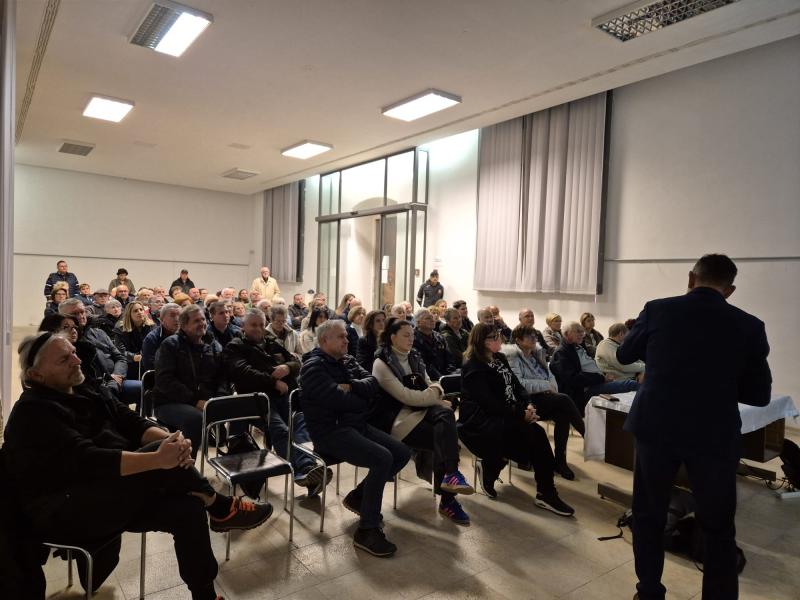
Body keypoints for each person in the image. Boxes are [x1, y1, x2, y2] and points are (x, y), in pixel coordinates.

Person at [4, 332, 273, 599]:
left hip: (111, 492)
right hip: (67, 509)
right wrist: (158, 458)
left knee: (189, 509)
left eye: (73, 352)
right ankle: (220, 506)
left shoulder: (85, 387)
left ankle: (205, 595)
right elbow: (89, 461)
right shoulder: (33, 412)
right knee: (160, 456)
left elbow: (130, 421)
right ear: (36, 375)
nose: (76, 361)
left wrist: (171, 441)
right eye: (64, 360)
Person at [618, 254, 771, 600]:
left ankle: (649, 592)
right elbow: (759, 395)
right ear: (729, 290)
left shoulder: (657, 309)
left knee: (649, 513)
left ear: (691, 278)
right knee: (718, 525)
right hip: (713, 433)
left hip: (657, 425)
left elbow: (625, 355)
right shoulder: (749, 325)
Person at [300, 320, 411, 557]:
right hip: (330, 432)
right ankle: (366, 530)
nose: (347, 340)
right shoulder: (313, 368)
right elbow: (340, 401)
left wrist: (350, 386)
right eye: (341, 337)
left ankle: (359, 497)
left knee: (401, 453)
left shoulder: (348, 361)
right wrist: (359, 397)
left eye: (346, 336)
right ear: (324, 340)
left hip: (356, 425)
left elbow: (373, 385)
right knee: (382, 458)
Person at [458, 323, 574, 516]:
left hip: (507, 413)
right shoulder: (473, 366)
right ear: (481, 341)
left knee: (534, 436)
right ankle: (545, 492)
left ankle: (496, 466)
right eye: (494, 337)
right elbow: (489, 403)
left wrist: (528, 405)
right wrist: (520, 414)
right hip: (481, 421)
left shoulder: (499, 358)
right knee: (535, 436)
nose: (499, 340)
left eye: (498, 335)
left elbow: (517, 386)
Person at [371, 318, 474, 524]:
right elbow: (406, 397)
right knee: (445, 439)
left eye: (412, 335)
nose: (411, 339)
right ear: (392, 337)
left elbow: (432, 383)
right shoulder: (381, 363)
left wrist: (434, 394)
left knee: (446, 417)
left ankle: (450, 479)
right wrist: (435, 397)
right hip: (399, 419)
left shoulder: (414, 356)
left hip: (422, 411)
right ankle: (449, 497)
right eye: (406, 335)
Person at [223, 309, 330, 495]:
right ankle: (305, 470)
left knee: (300, 423)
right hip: (256, 400)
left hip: (283, 397)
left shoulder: (272, 342)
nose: (258, 329)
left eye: (261, 324)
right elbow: (243, 372)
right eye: (253, 325)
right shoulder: (235, 347)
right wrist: (273, 381)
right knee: (280, 429)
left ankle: (308, 472)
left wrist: (287, 368)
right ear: (243, 326)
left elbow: (296, 362)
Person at [503, 325, 585, 480]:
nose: (534, 339)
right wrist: (546, 386)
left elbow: (550, 376)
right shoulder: (512, 356)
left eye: (535, 336)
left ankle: (560, 461)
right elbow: (519, 384)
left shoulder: (537, 354)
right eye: (530, 336)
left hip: (544, 398)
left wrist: (550, 387)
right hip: (526, 401)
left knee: (562, 414)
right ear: (518, 340)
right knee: (564, 399)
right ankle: (586, 435)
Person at [152, 304, 230, 455]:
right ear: (184, 325)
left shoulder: (213, 345)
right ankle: (186, 462)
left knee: (239, 407)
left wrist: (220, 398)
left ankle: (237, 458)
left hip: (206, 401)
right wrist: (195, 401)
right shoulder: (171, 345)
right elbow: (165, 381)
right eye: (196, 321)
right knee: (196, 419)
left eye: (203, 319)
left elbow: (223, 377)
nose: (202, 323)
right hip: (169, 402)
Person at [59, 299, 139, 407]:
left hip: (116, 379)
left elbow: (120, 357)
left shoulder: (99, 333)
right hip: (92, 388)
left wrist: (117, 375)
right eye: (74, 314)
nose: (81, 316)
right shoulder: (64, 342)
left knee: (146, 388)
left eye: (82, 312)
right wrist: (109, 382)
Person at [550, 321, 639, 413]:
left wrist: (602, 377)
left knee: (630, 389)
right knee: (631, 384)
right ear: (566, 334)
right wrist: (601, 378)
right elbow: (573, 379)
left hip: (595, 383)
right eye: (578, 331)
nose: (582, 334)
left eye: (582, 331)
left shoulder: (577, 347)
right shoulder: (561, 353)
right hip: (582, 392)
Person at [113, 301, 155, 381]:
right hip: (130, 363)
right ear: (129, 314)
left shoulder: (151, 326)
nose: (139, 312)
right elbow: (119, 351)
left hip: (148, 361)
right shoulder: (120, 329)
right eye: (135, 311)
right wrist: (133, 357)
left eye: (141, 309)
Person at [413, 308, 458, 381]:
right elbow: (424, 364)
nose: (432, 320)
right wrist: (441, 378)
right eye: (428, 318)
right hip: (428, 378)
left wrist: (451, 374)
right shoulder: (413, 339)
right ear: (418, 323)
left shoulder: (439, 337)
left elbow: (449, 358)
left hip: (445, 375)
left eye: (432, 317)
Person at [141, 303, 181, 372]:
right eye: (172, 315)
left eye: (180, 315)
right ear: (162, 319)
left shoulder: (187, 335)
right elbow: (150, 366)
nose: (177, 319)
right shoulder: (151, 338)